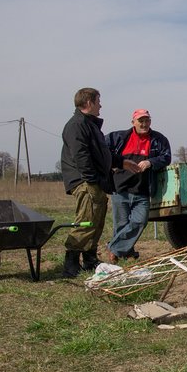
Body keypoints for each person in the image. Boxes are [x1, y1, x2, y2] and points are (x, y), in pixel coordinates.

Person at [60, 88, 139, 277]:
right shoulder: (77, 125)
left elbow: (100, 154)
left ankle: (89, 259)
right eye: (98, 101)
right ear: (89, 102)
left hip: (94, 181)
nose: (100, 105)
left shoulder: (90, 125)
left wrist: (121, 162)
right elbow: (81, 155)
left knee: (96, 221)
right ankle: (71, 262)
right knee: (86, 221)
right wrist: (92, 179)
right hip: (85, 182)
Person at [105, 109, 172, 263]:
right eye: (140, 121)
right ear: (133, 122)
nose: (144, 124)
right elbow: (102, 150)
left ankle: (113, 248)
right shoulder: (118, 138)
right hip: (120, 189)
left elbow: (166, 157)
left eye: (147, 120)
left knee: (140, 221)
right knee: (121, 224)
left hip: (143, 190)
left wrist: (150, 162)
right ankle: (122, 254)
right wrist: (112, 164)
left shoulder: (158, 140)